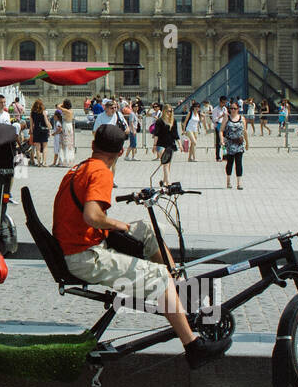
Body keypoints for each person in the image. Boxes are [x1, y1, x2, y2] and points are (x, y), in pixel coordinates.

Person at [51, 124, 231, 369]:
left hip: (78, 245)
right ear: (121, 152)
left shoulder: (80, 168)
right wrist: (117, 224)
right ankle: (193, 346)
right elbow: (92, 215)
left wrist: (121, 226)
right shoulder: (101, 172)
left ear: (93, 145)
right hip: (85, 256)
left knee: (146, 231)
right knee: (160, 275)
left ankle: (179, 295)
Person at [154, 104, 181, 184]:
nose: (170, 113)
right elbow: (156, 134)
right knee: (165, 163)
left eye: (171, 111)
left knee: (168, 164)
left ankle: (164, 180)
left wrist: (180, 144)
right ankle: (168, 183)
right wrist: (154, 145)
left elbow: (175, 134)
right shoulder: (159, 121)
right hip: (161, 144)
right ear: (164, 111)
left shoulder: (173, 121)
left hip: (170, 144)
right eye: (169, 111)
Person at [223, 101, 246, 189]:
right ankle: (228, 181)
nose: (233, 110)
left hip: (239, 144)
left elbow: (245, 131)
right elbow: (221, 130)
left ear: (238, 109)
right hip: (230, 143)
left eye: (234, 108)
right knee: (230, 163)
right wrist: (222, 140)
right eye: (231, 108)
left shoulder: (242, 118)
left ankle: (239, 183)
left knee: (239, 163)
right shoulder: (227, 117)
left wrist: (247, 143)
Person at [29, 99, 50, 166]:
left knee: (37, 147)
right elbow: (46, 122)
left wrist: (32, 131)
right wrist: (50, 127)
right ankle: (44, 162)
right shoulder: (43, 112)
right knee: (45, 147)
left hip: (36, 130)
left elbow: (31, 124)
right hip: (44, 130)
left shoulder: (32, 113)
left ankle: (38, 163)